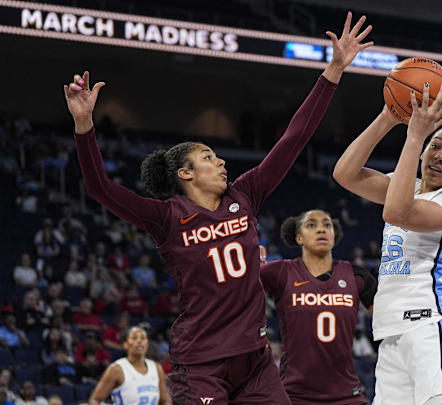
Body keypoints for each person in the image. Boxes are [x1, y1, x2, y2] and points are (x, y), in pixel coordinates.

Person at [64, 11, 373, 404]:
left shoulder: (244, 195)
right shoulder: (166, 218)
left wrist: (333, 71)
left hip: (256, 362)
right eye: (209, 157)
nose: (221, 162)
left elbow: (294, 139)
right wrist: (84, 126)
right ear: (185, 174)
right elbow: (100, 187)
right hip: (201, 363)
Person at [334, 64, 442, 404]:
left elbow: (398, 212)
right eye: (436, 145)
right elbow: (345, 173)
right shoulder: (409, 186)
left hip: (437, 326)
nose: (439, 156)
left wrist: (415, 137)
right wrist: (389, 115)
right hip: (393, 334)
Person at [260, 210, 377, 404]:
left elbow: (389, 321)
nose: (321, 229)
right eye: (311, 225)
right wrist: (250, 268)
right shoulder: (280, 272)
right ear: (298, 237)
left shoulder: (356, 276)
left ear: (334, 235)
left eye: (327, 225)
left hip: (347, 395)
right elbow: (235, 294)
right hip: (294, 394)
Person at [89, 327, 169, 405]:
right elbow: (95, 400)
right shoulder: (116, 369)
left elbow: (164, 401)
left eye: (143, 338)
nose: (139, 341)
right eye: (134, 338)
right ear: (125, 345)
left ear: (147, 344)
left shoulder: (156, 368)